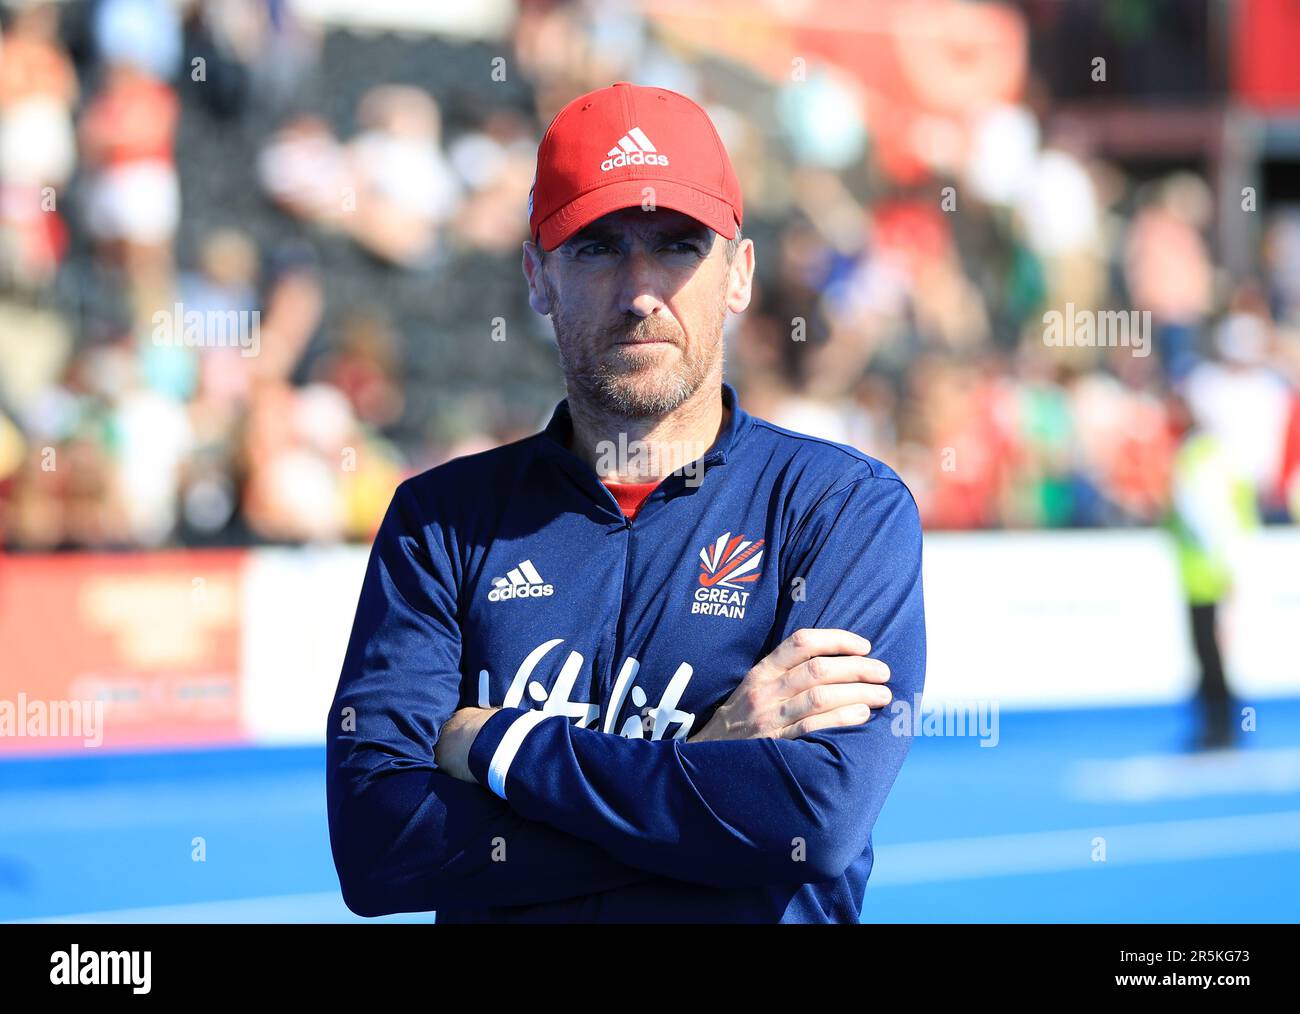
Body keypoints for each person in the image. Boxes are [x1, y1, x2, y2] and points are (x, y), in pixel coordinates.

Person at [325, 82, 926, 923]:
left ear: (741, 274)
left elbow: (810, 822)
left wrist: (503, 745)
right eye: (598, 248)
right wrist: (704, 779)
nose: (641, 290)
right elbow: (378, 848)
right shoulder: (440, 523)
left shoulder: (841, 511)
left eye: (679, 246)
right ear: (538, 276)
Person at [1164, 389, 1258, 751]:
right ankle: (1224, 725)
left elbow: (1203, 515)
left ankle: (1221, 727)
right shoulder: (1222, 456)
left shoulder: (1197, 457)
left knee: (1210, 652)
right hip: (1217, 568)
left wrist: (1223, 564)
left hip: (1207, 572)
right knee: (1214, 653)